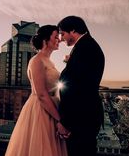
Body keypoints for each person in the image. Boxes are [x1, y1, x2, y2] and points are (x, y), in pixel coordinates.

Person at [5, 25, 68, 156]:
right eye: (56, 37)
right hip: (40, 111)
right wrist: (59, 120)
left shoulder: (49, 61)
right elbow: (41, 95)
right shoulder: (36, 61)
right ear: (46, 40)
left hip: (52, 108)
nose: (59, 40)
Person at [57, 16, 105, 156]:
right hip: (84, 115)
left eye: (63, 33)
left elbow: (75, 88)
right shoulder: (86, 46)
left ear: (72, 30)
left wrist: (65, 122)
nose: (61, 38)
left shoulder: (85, 48)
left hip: (81, 117)